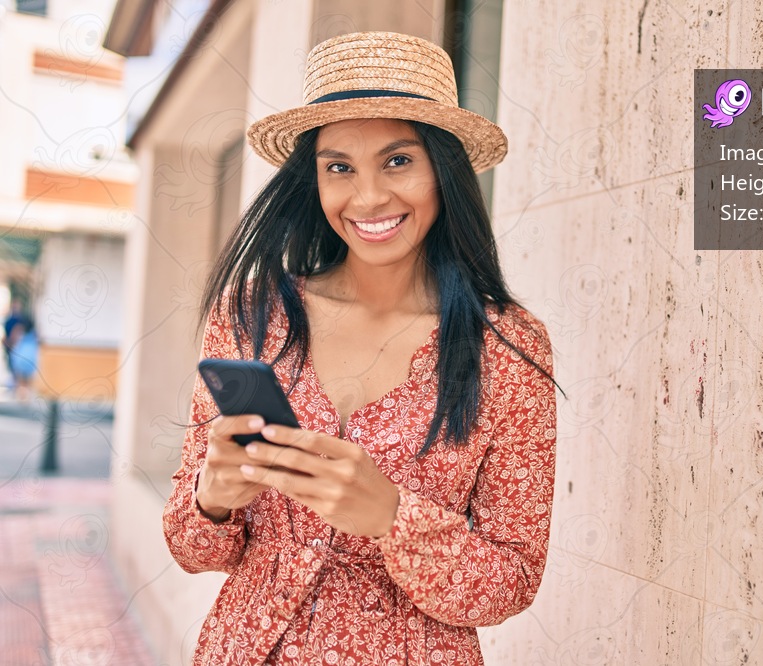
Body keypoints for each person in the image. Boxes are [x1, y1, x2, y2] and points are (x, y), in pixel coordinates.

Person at [162, 32, 558, 665]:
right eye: (339, 166)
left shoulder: (507, 347)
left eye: (398, 161)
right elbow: (191, 549)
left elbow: (510, 582)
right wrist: (211, 499)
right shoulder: (254, 314)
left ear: (442, 169)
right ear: (314, 179)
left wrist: (392, 517)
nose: (368, 197)